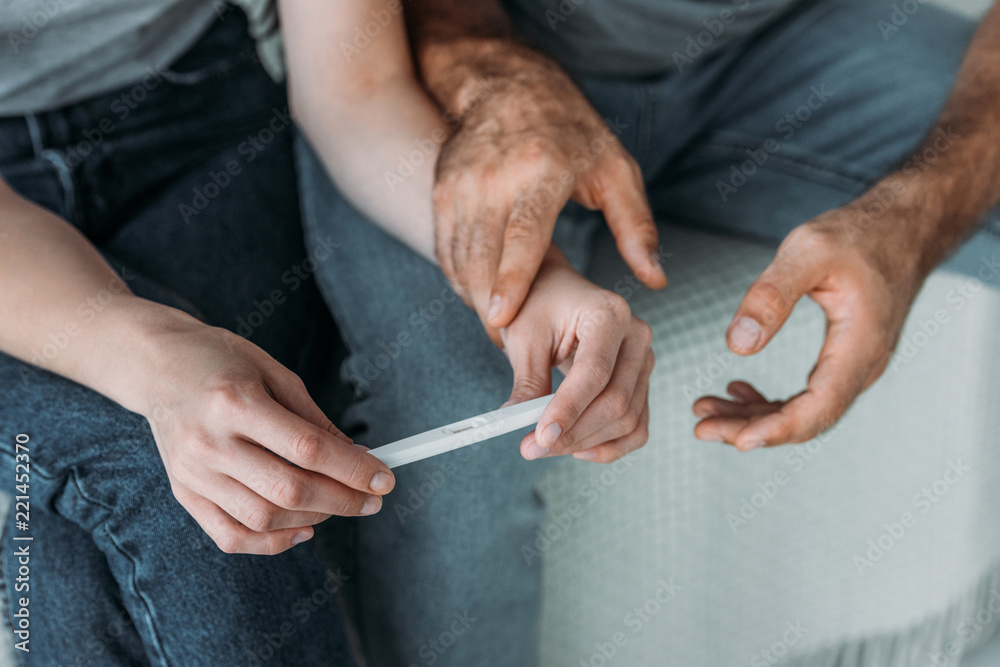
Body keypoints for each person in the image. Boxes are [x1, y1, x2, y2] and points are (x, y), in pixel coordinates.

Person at [291, 0, 1000, 664]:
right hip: (446, 61)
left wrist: (923, 214)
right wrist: (482, 60)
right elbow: (351, 77)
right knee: (469, 412)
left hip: (777, 44)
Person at [1, 0, 652, 664]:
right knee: (193, 481)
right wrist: (157, 360)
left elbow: (360, 89)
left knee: (171, 511)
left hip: (205, 121)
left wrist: (520, 276)